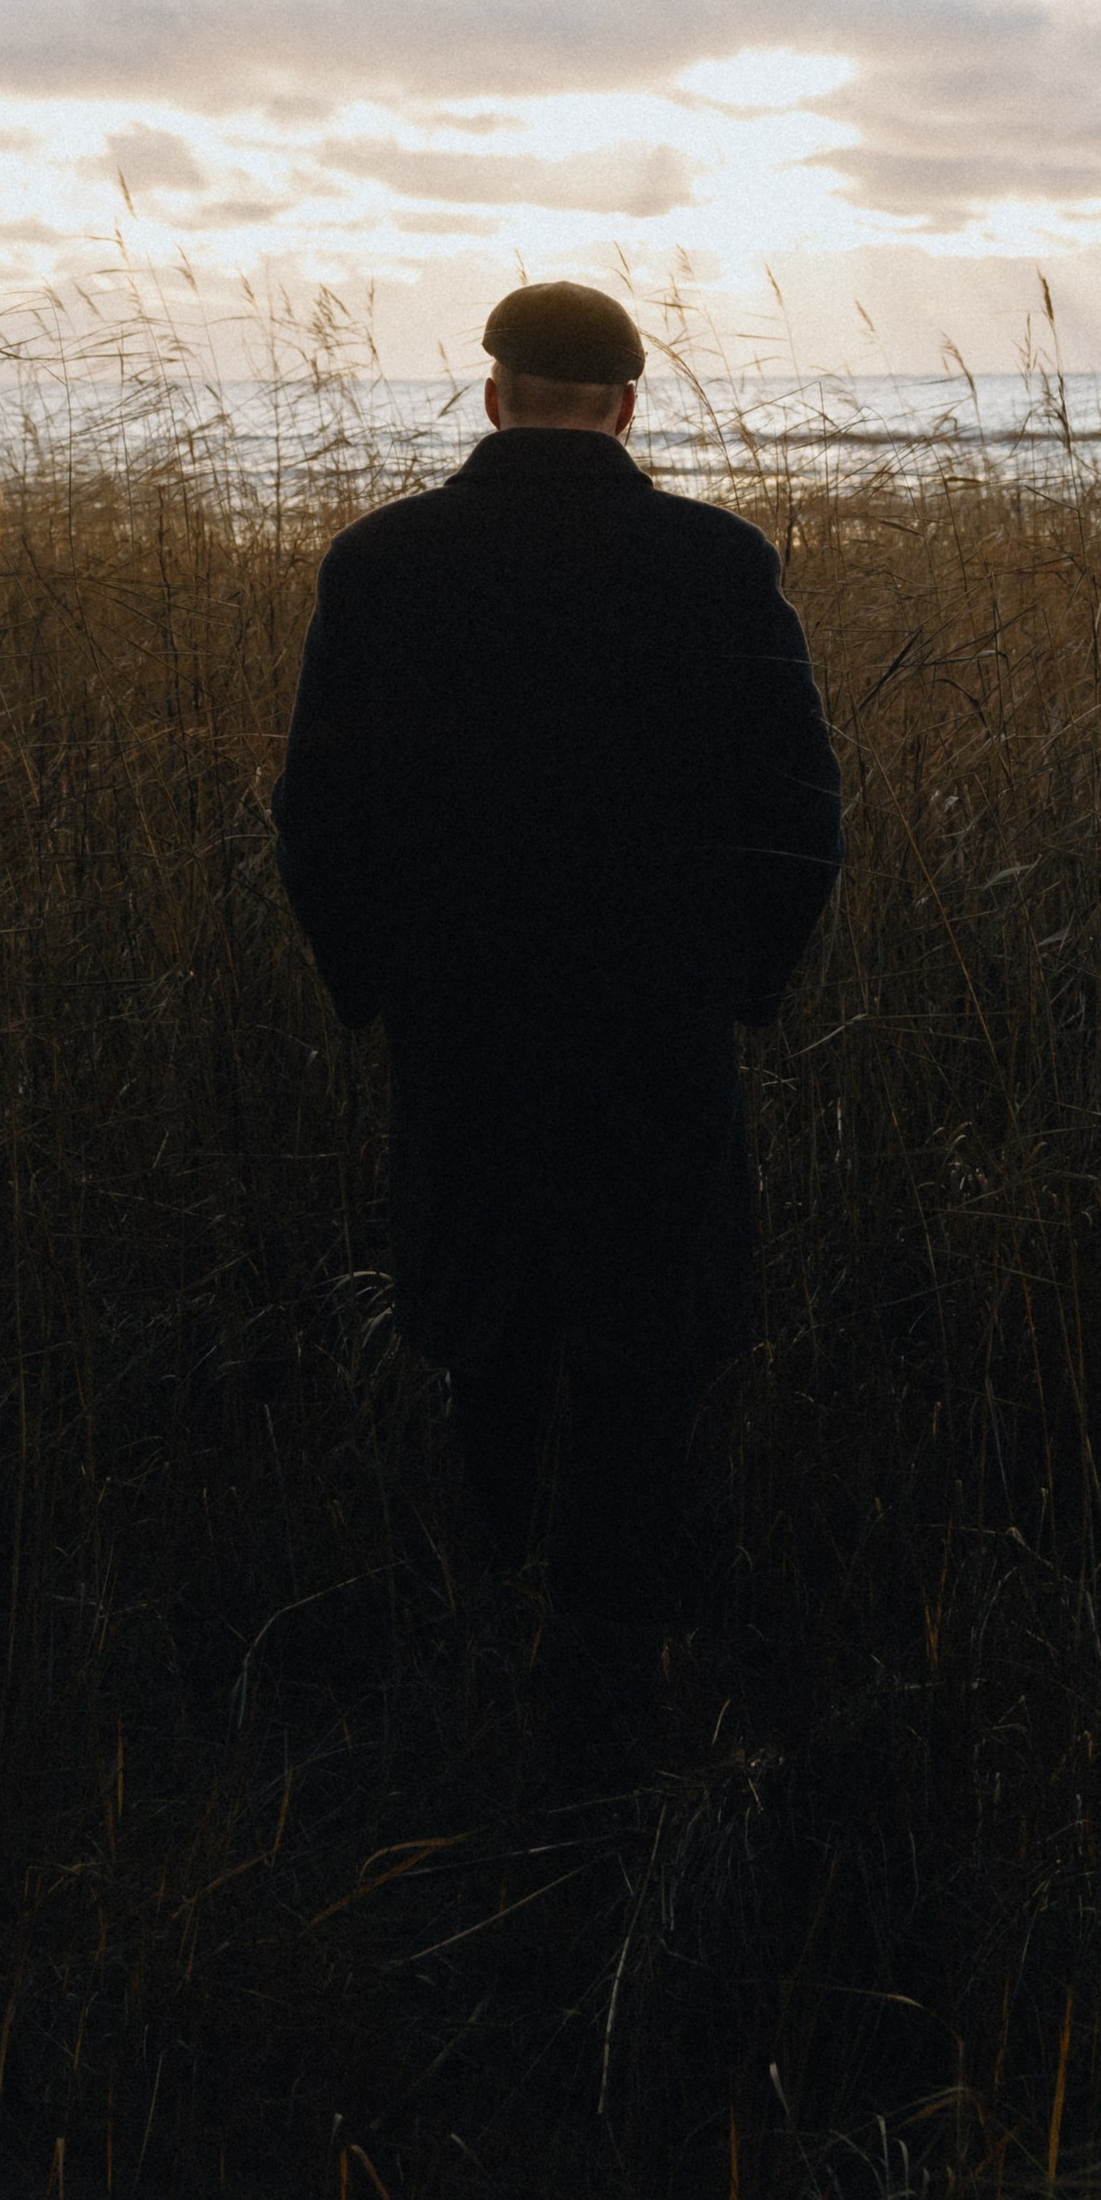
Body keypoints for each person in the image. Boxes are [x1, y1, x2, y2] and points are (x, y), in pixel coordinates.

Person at [272, 281, 842, 1776]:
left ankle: (494, 1610)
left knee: (486, 1325)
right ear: (630, 407)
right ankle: (611, 1661)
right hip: (657, 1034)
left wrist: (376, 987)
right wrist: (740, 987)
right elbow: (799, 818)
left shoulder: (384, 567)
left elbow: (319, 815)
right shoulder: (715, 565)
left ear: (492, 397)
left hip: (463, 1032)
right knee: (645, 1339)